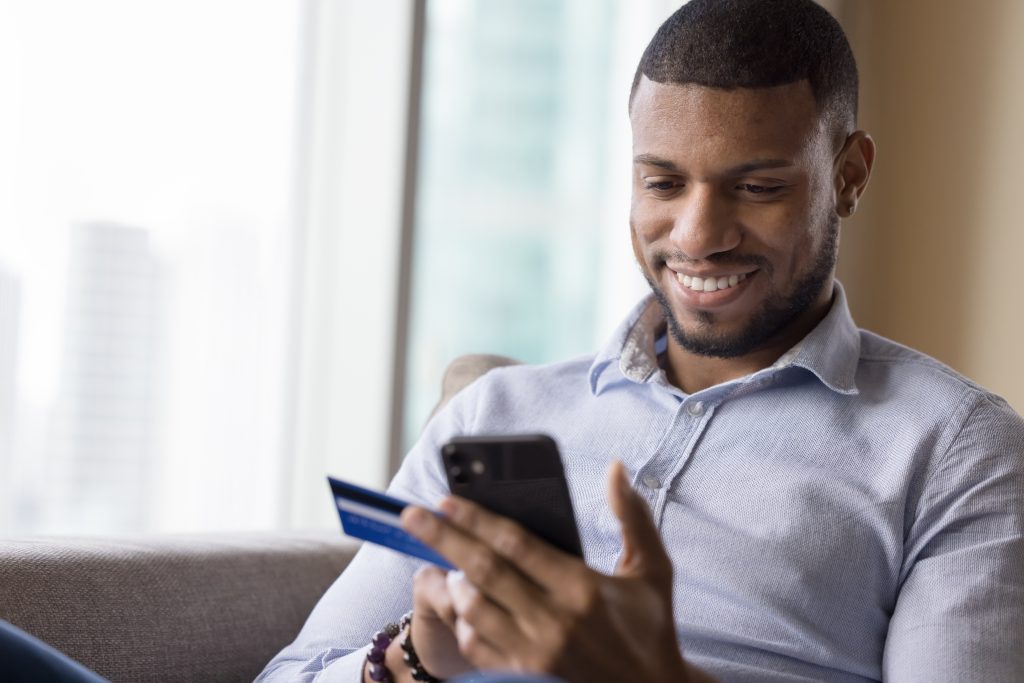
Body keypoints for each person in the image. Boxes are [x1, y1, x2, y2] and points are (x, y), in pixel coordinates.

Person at [258, 1, 1024, 681]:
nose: (697, 236)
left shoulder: (956, 452)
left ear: (849, 175)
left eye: (757, 188)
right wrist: (415, 660)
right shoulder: (496, 413)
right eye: (661, 184)